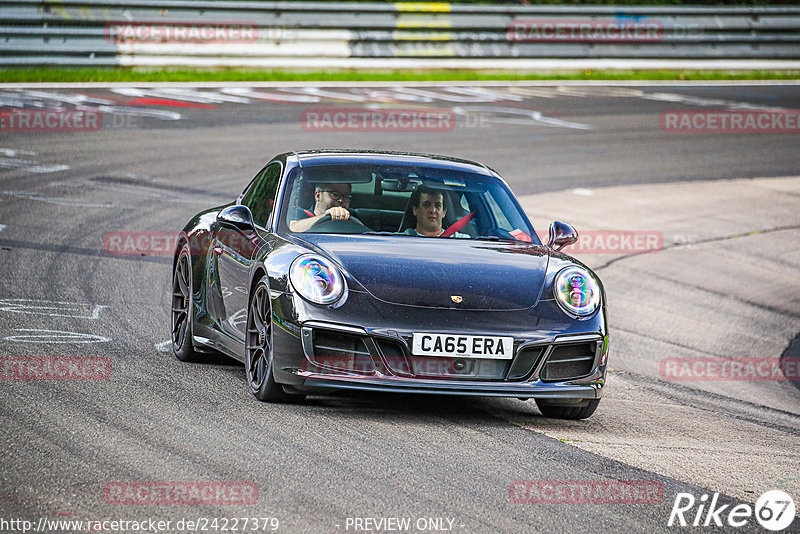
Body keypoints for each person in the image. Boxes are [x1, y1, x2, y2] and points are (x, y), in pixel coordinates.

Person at [402, 185, 469, 238]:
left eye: (437, 206)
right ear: (415, 210)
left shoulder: (462, 240)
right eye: (426, 205)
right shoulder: (400, 240)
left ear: (444, 212)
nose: (433, 210)